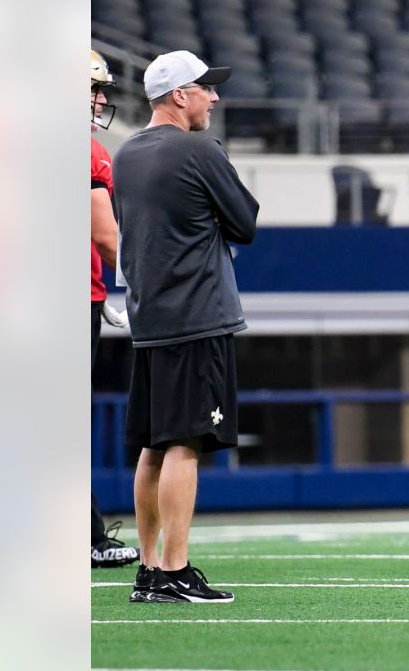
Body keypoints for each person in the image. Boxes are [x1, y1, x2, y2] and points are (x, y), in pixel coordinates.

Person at [113, 50, 259, 602]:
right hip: (199, 316)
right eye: (205, 88)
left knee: (153, 445)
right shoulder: (199, 149)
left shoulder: (125, 154)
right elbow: (245, 222)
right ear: (179, 95)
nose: (214, 98)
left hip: (149, 318)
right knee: (185, 444)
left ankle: (150, 570)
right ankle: (174, 570)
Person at [89, 48, 139, 570]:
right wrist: (130, 282)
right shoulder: (88, 153)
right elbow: (106, 236)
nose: (101, 99)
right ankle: (86, 536)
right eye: (93, 89)